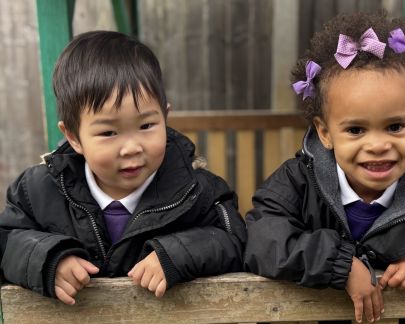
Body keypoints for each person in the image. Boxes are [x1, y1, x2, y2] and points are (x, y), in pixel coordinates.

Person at [244, 12, 405, 323]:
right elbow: (262, 236)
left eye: (395, 126)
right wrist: (340, 264)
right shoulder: (301, 181)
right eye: (356, 130)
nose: (379, 145)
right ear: (325, 133)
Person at [0, 31, 246, 305]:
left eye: (146, 126)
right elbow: (7, 240)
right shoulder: (38, 191)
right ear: (73, 137)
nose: (131, 147)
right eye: (108, 133)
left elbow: (235, 239)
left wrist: (177, 254)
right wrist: (47, 259)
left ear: (165, 117)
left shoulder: (197, 190)